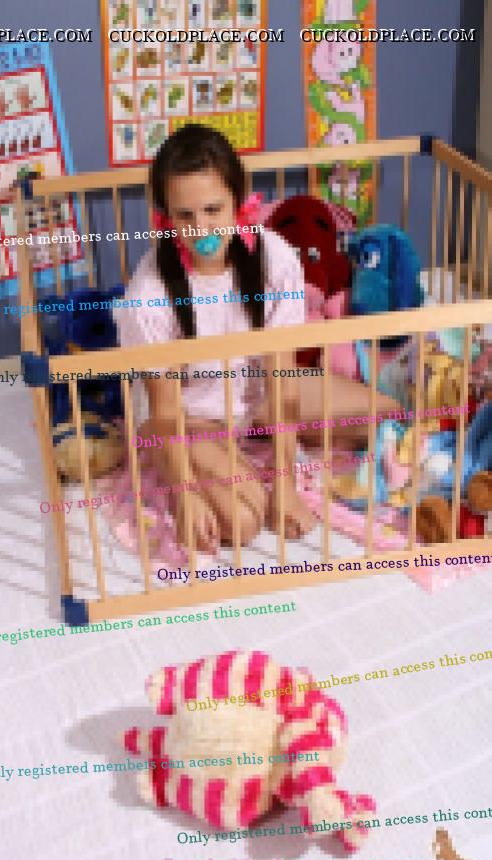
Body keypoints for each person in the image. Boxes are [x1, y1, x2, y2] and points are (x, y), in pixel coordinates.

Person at [115, 123, 395, 554]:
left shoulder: (274, 259)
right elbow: (166, 411)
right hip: (186, 418)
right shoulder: (149, 294)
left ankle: (258, 443)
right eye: (184, 216)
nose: (201, 228)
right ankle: (192, 465)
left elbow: (282, 380)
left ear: (238, 200)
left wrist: (286, 484)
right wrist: (186, 495)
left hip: (253, 395)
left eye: (213, 210)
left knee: (388, 416)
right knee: (244, 521)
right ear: (165, 217)